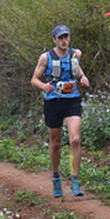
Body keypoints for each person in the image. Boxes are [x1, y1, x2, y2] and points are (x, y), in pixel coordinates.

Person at [31, 25, 90, 197]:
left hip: (72, 100)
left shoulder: (75, 54)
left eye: (66, 37)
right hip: (53, 102)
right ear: (54, 40)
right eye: (60, 38)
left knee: (75, 139)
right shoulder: (46, 58)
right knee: (56, 143)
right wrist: (44, 86)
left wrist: (83, 76)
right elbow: (34, 79)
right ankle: (56, 178)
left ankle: (75, 180)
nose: (64, 41)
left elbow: (76, 68)